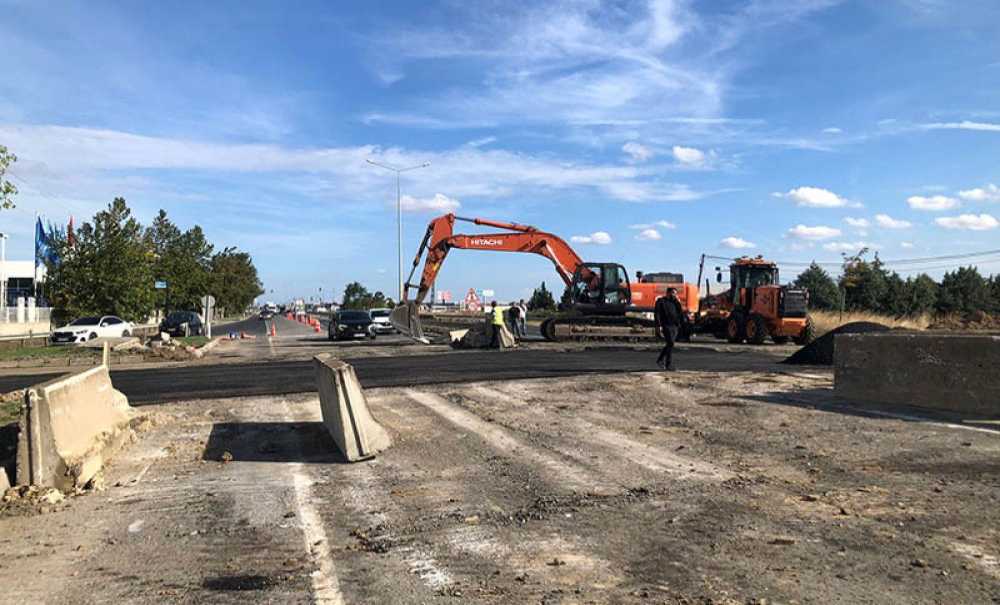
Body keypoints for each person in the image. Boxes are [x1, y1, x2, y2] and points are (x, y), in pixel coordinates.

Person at [654, 287, 684, 370]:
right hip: (666, 325)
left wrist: (678, 302)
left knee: (670, 344)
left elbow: (680, 313)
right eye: (672, 293)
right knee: (670, 343)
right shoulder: (661, 301)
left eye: (675, 293)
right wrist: (658, 325)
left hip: (675, 325)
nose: (674, 295)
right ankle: (668, 364)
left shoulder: (675, 302)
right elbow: (657, 314)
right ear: (668, 293)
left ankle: (660, 359)